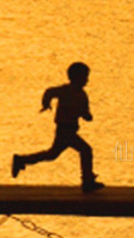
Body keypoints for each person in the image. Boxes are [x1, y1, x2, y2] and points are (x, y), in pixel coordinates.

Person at [12, 62, 104, 192]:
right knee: (85, 150)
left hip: (70, 129)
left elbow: (85, 112)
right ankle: (87, 181)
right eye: (84, 77)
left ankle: (22, 160)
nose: (86, 80)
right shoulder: (66, 91)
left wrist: (87, 116)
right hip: (65, 130)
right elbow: (49, 92)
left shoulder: (82, 95)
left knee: (52, 154)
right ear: (76, 78)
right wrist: (46, 103)